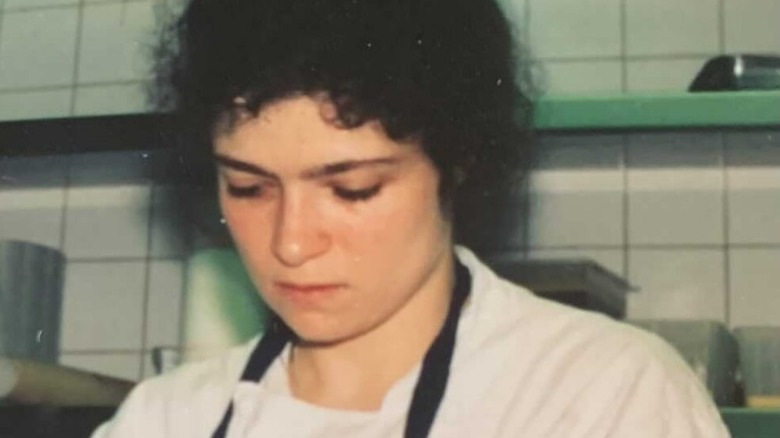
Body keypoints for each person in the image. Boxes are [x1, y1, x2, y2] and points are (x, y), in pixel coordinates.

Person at [94, 0, 730, 436]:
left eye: (354, 189)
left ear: (457, 162)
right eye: (249, 187)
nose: (290, 243)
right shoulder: (166, 419)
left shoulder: (596, 395)